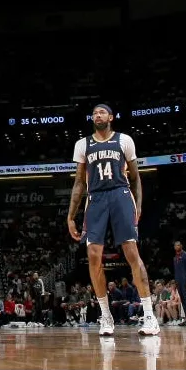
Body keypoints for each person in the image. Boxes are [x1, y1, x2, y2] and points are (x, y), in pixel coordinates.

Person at [66, 104, 160, 336]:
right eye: (94, 112)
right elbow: (79, 183)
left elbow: (136, 178)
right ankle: (106, 316)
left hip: (120, 194)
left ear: (110, 117)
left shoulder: (124, 140)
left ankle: (149, 316)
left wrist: (137, 205)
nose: (97, 115)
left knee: (131, 252)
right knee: (93, 256)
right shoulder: (83, 144)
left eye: (101, 112)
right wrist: (70, 216)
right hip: (96, 198)